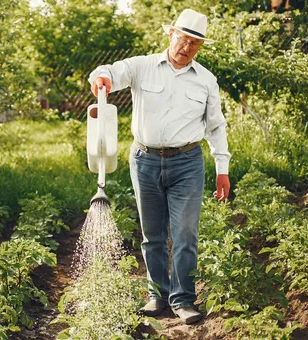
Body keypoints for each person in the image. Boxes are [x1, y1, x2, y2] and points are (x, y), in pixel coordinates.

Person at [88, 8, 231, 324]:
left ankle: (182, 299)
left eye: (195, 44)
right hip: (145, 161)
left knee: (184, 235)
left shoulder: (206, 80)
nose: (187, 48)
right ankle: (157, 295)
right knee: (152, 234)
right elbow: (110, 71)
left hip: (187, 163)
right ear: (170, 34)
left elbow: (216, 126)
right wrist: (102, 78)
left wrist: (223, 167)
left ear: (201, 46)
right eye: (183, 39)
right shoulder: (142, 66)